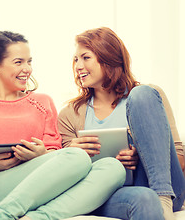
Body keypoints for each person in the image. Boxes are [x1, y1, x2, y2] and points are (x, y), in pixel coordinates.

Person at [0, 30, 126, 220]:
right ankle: (0, 216)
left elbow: (57, 155)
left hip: (39, 192)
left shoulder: (42, 102)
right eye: (18, 62)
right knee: (77, 155)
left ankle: (36, 218)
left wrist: (41, 154)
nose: (27, 69)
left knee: (114, 168)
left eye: (29, 62)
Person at [58, 27, 185, 220]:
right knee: (144, 198)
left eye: (85, 57)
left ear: (108, 57)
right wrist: (71, 153)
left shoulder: (148, 99)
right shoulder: (70, 114)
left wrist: (142, 157)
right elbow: (63, 181)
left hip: (164, 186)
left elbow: (180, 158)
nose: (78, 66)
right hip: (112, 194)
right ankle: (155, 199)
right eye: (75, 59)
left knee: (142, 93)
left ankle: (163, 198)